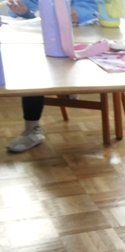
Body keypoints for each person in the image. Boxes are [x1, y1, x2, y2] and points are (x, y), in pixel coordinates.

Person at [6, 0, 98, 153]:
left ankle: (70, 82)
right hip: (40, 35)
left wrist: (79, 13)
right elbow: (25, 9)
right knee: (33, 67)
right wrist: (25, 11)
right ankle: (32, 129)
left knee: (80, 53)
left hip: (79, 33)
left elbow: (92, 5)